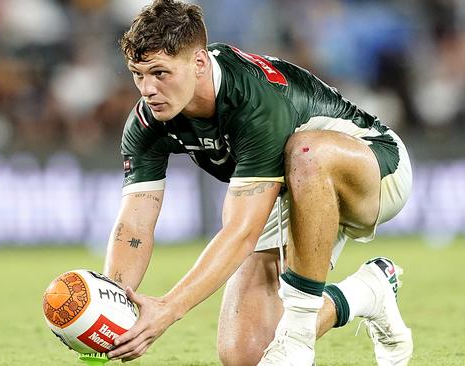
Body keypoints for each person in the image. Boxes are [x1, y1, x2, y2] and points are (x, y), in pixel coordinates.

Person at [104, 0, 413, 364]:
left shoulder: (253, 99)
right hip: (288, 190)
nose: (147, 88)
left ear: (199, 63)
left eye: (159, 73)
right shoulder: (148, 121)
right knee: (245, 354)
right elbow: (134, 224)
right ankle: (368, 291)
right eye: (138, 74)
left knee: (306, 151)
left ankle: (298, 335)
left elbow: (241, 231)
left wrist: (168, 309)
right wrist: (109, 307)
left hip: (374, 170)